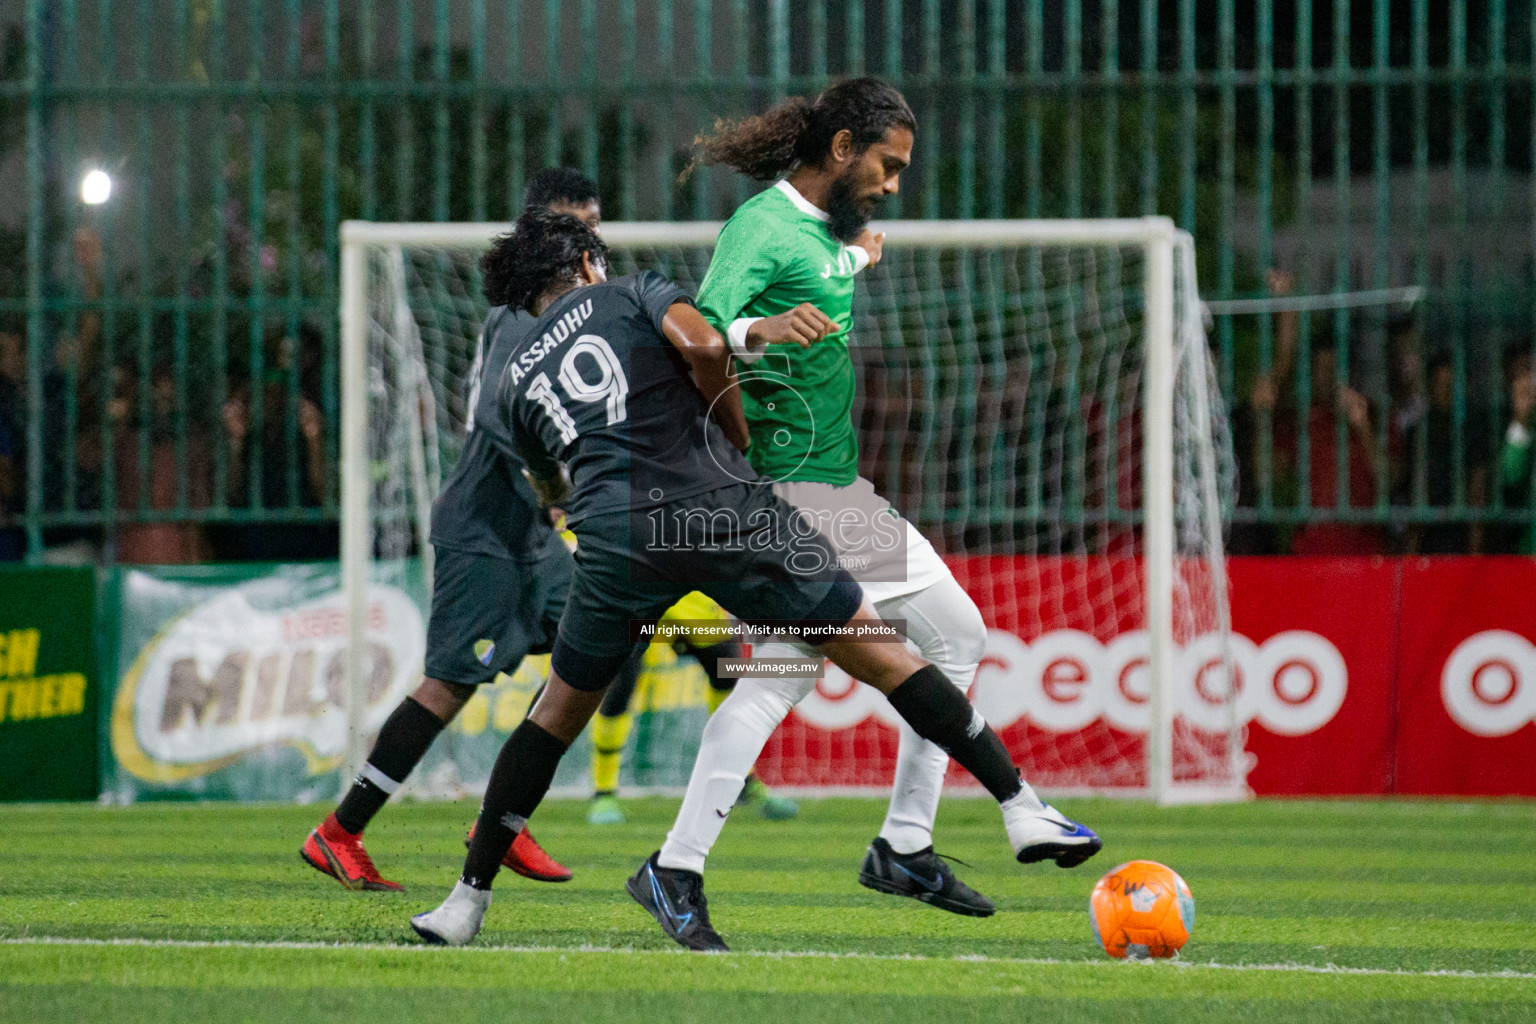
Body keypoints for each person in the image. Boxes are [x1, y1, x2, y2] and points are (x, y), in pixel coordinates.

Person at [408, 209, 1100, 952]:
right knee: (887, 653)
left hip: (615, 540)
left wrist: (579, 499)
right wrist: (732, 427)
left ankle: (464, 901)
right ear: (585, 264)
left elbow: (548, 480)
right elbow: (706, 342)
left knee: (553, 717)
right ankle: (1017, 804)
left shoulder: (513, 378)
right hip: (718, 512)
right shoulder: (629, 291)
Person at [649, 78, 1094, 919]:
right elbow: (701, 333)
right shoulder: (762, 226)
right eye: (886, 166)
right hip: (803, 493)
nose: (893, 184)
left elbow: (819, 270)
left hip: (822, 491)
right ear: (843, 148)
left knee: (777, 682)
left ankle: (686, 863)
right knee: (946, 637)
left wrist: (857, 258)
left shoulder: (821, 239)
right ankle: (913, 840)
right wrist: (757, 333)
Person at [300, 168, 609, 892]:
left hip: (532, 533)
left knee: (598, 647)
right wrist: (560, 486)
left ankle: (503, 820)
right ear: (538, 233)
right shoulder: (520, 316)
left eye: (594, 224)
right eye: (574, 225)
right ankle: (339, 831)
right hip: (485, 527)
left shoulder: (579, 312)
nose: (589, 239)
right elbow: (503, 422)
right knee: (448, 686)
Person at [585, 591, 797, 825]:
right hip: (634, 592)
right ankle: (603, 792)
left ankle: (741, 780)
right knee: (620, 683)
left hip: (688, 590)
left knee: (727, 670)